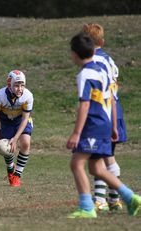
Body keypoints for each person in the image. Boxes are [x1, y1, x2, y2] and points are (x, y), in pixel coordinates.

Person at [66, 33, 140, 218]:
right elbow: (112, 100)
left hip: (94, 124)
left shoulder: (85, 74)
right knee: (96, 168)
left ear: (75, 54)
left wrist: (76, 133)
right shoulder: (102, 69)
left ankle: (87, 208)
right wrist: (114, 126)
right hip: (106, 123)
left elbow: (84, 104)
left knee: (77, 163)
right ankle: (130, 197)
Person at [82, 23, 126, 212]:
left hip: (102, 111)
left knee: (98, 159)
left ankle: (100, 200)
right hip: (114, 109)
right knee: (108, 156)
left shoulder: (94, 61)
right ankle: (114, 200)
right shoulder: (109, 60)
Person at [0, 70, 33, 187]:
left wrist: (15, 138)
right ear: (9, 85)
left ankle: (17, 175)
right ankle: (10, 170)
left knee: (25, 143)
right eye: (16, 85)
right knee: (5, 147)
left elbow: (25, 119)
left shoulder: (28, 96)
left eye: (22, 85)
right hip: (6, 121)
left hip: (21, 120)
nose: (20, 88)